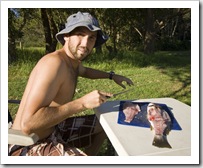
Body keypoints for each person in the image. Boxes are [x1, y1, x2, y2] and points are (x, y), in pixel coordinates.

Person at [8, 11, 134, 156]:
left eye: (91, 38)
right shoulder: (54, 63)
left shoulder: (72, 63)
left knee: (106, 124)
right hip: (27, 143)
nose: (85, 44)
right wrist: (82, 103)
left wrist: (112, 76)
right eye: (80, 34)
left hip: (54, 128)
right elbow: (28, 124)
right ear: (66, 36)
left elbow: (85, 71)